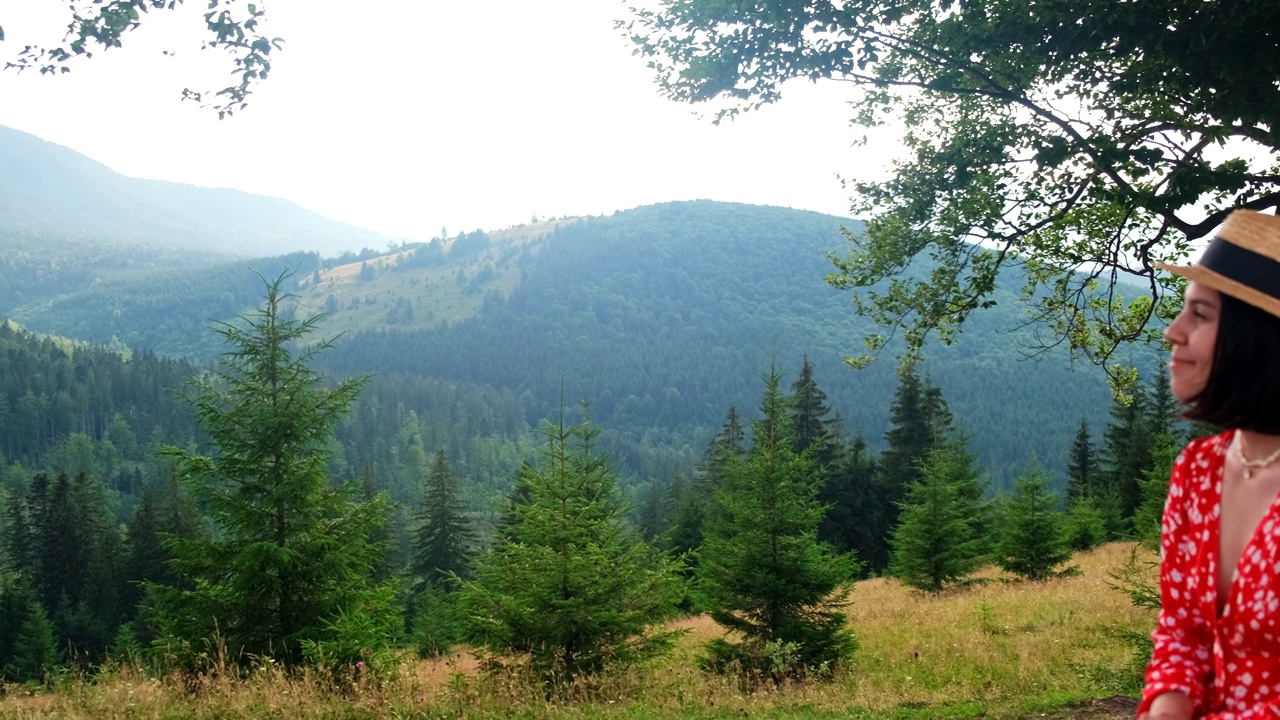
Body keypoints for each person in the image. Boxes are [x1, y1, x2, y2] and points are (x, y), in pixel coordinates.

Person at [1139, 209, 1280, 720]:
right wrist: (1167, 707)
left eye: (1200, 315)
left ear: (1257, 337)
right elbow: (1182, 629)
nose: (1174, 332)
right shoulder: (1198, 469)